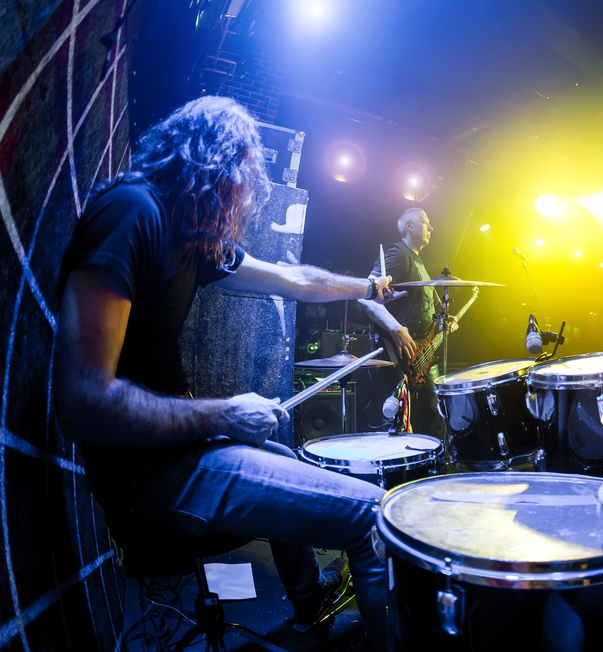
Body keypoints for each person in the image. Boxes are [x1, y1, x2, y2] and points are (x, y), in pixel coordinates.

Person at [54, 96, 391, 649]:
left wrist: (367, 288)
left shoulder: (192, 238)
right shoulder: (132, 214)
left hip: (175, 457)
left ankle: (309, 601)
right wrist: (226, 413)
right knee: (373, 515)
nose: (245, 200)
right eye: (246, 182)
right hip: (147, 478)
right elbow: (83, 399)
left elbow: (296, 280)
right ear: (220, 166)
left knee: (284, 460)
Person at [359, 208, 453, 438]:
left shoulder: (418, 261)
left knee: (432, 414)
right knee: (398, 419)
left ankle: (431, 469)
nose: (430, 228)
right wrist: (396, 329)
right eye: (425, 222)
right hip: (400, 355)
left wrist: (444, 320)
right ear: (409, 226)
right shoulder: (397, 253)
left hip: (423, 353)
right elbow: (366, 294)